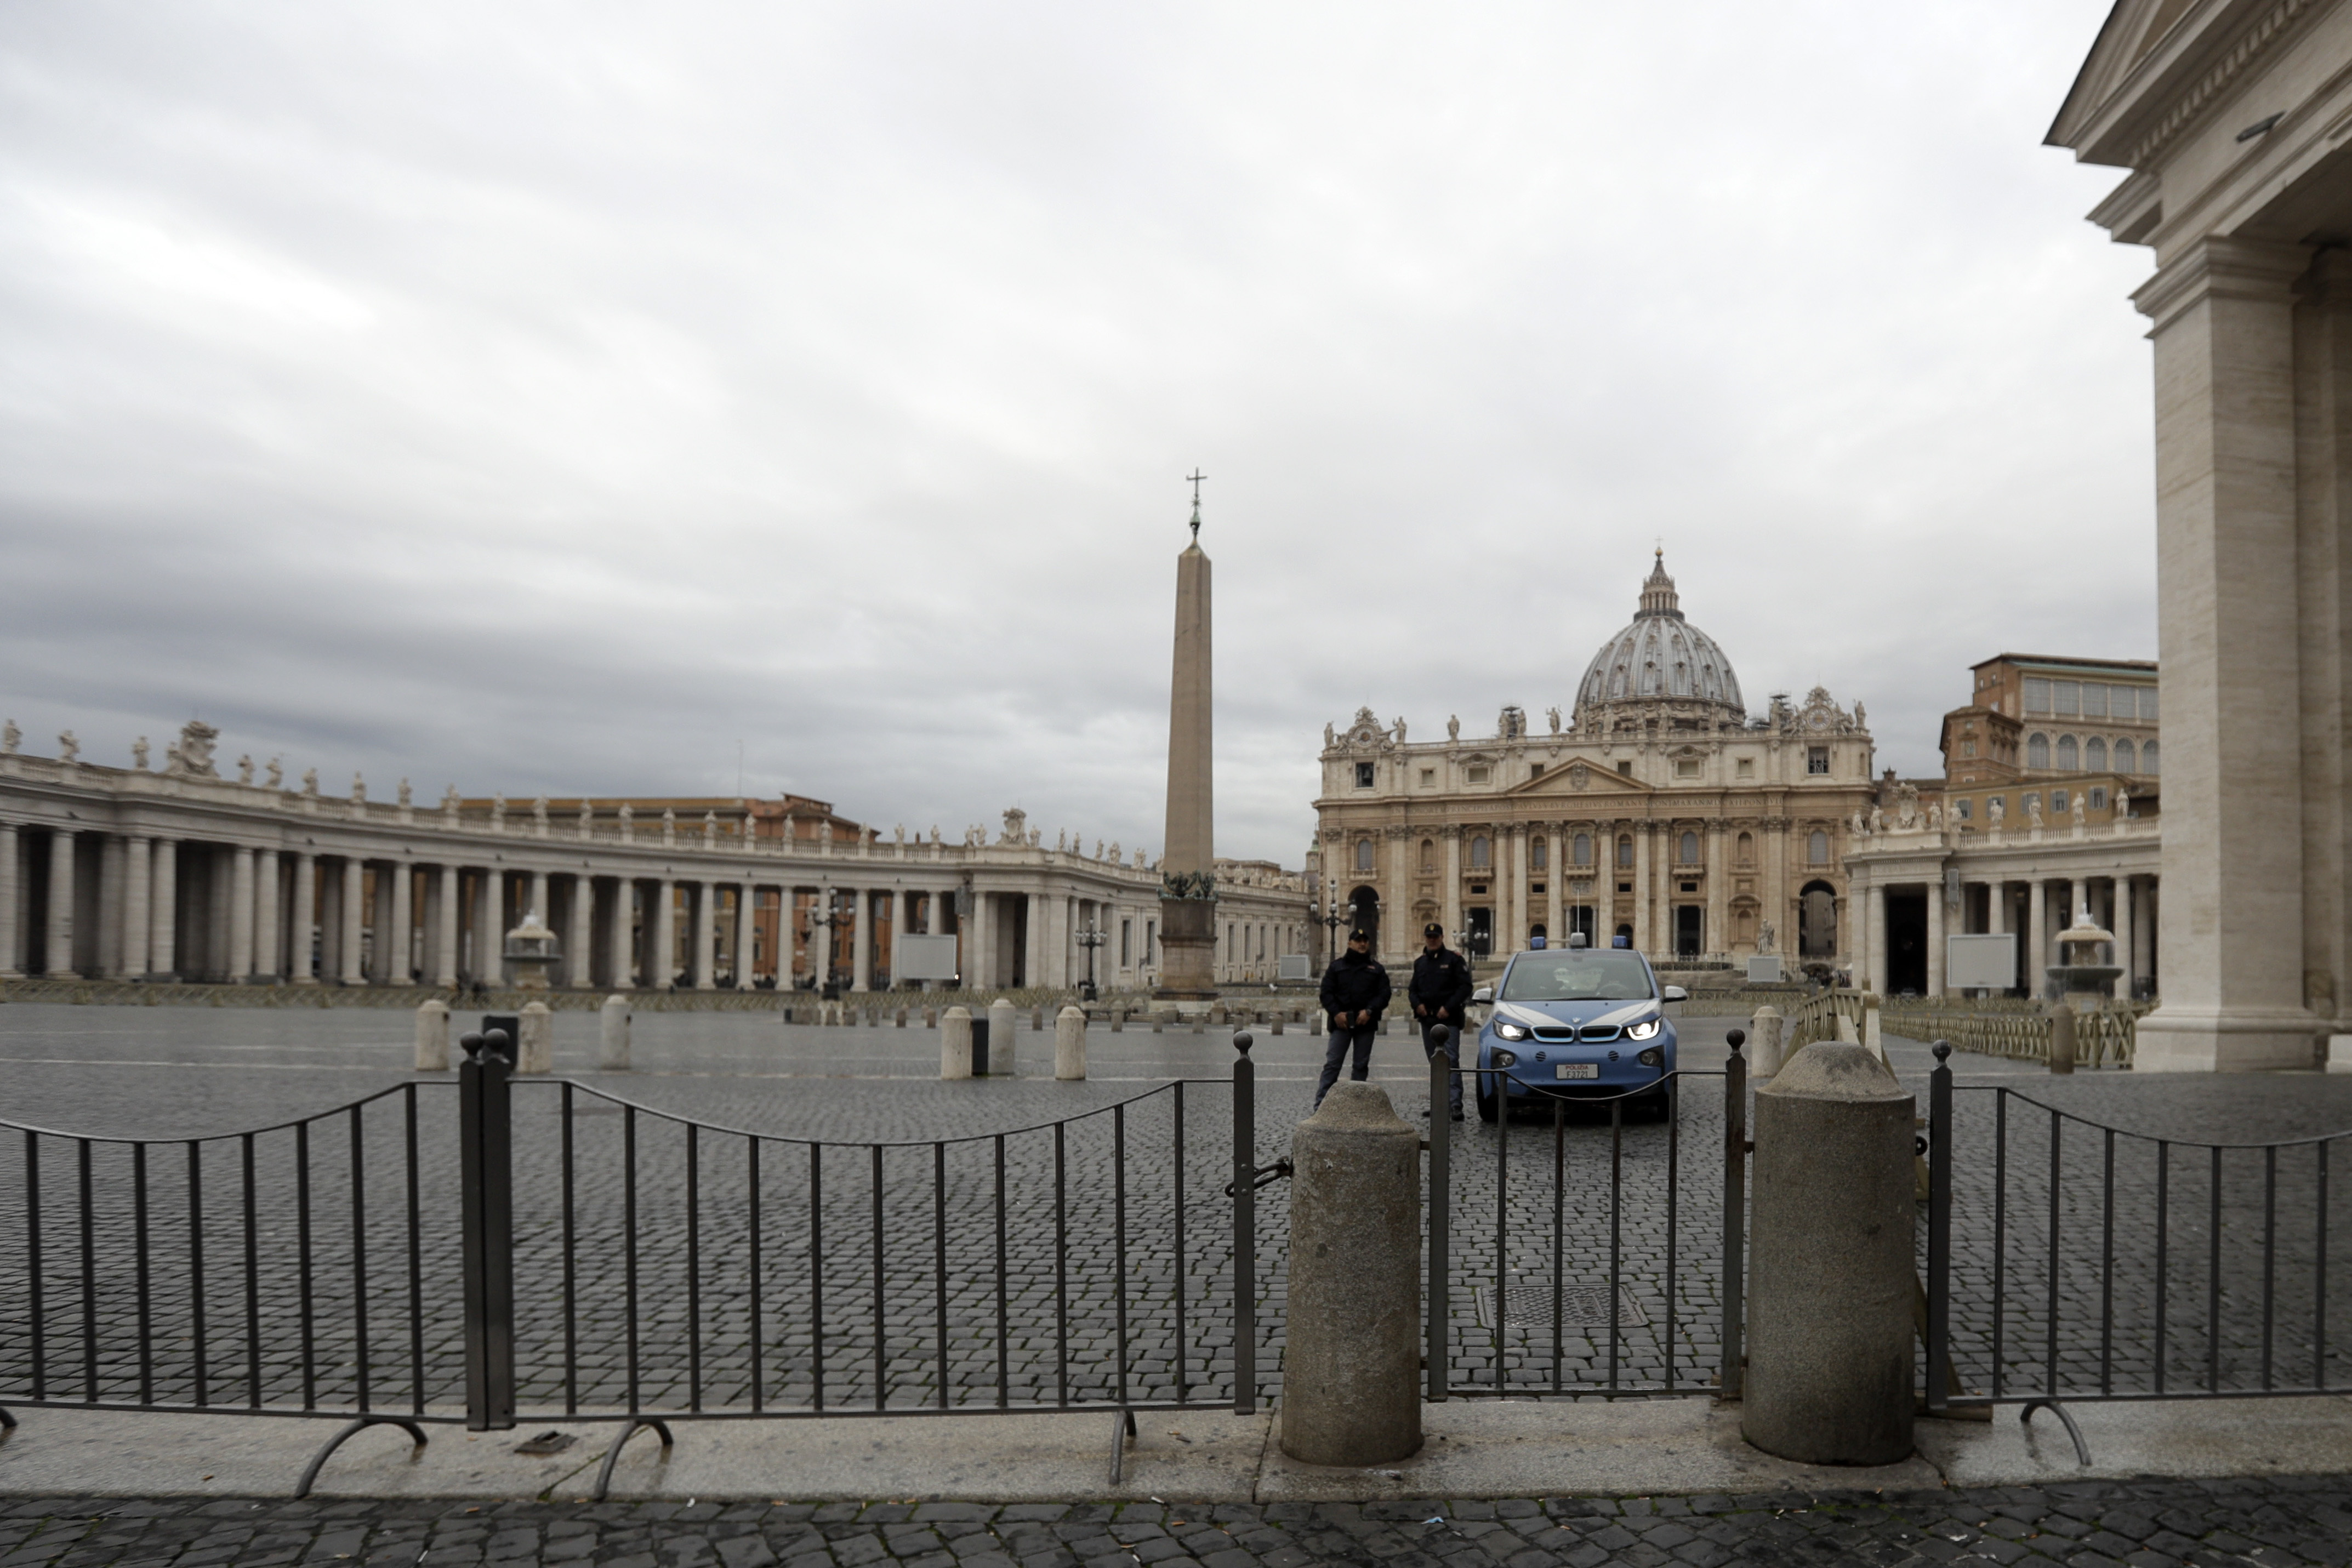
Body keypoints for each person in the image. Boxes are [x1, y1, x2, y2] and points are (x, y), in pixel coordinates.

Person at [1316, 927, 1389, 1108]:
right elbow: (1326, 993)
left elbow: (1384, 994)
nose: (1362, 944)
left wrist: (1370, 1011)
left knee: (1361, 1065)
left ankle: (1357, 1105)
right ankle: (1322, 1105)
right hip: (1341, 1023)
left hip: (1366, 1022)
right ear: (1350, 943)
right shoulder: (1336, 967)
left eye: (1365, 940)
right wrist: (1336, 1013)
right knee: (1333, 1063)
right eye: (1358, 940)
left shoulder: (1377, 969)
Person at [1409, 921, 1471, 1120]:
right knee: (1434, 1062)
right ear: (1425, 938)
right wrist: (1417, 1005)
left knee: (1451, 1059)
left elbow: (1465, 987)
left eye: (1435, 937)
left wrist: (1448, 1007)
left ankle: (1454, 1104)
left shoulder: (1454, 960)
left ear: (1442, 938)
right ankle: (1439, 1103)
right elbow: (1412, 990)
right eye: (1429, 937)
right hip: (1427, 1019)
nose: (1432, 940)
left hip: (1449, 1018)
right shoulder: (1420, 963)